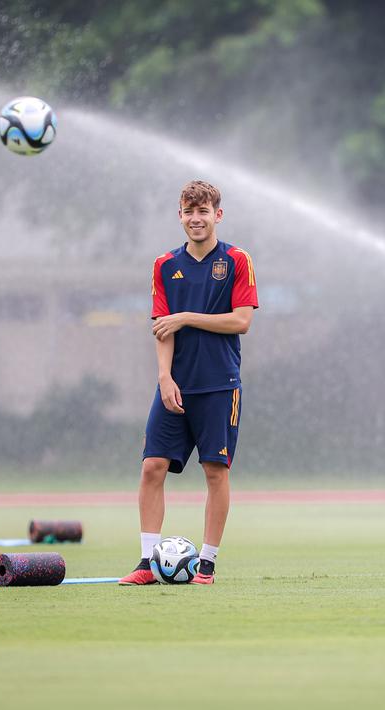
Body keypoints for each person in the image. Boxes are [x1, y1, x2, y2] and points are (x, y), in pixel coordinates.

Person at [118, 180, 259, 586]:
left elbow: (242, 321)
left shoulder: (236, 260)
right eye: (188, 211)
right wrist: (164, 377)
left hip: (219, 385)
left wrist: (186, 316)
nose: (195, 219)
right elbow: (162, 328)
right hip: (174, 386)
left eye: (203, 211)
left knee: (215, 471)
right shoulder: (164, 264)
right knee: (151, 468)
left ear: (218, 215)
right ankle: (147, 563)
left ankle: (208, 564)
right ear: (179, 215)